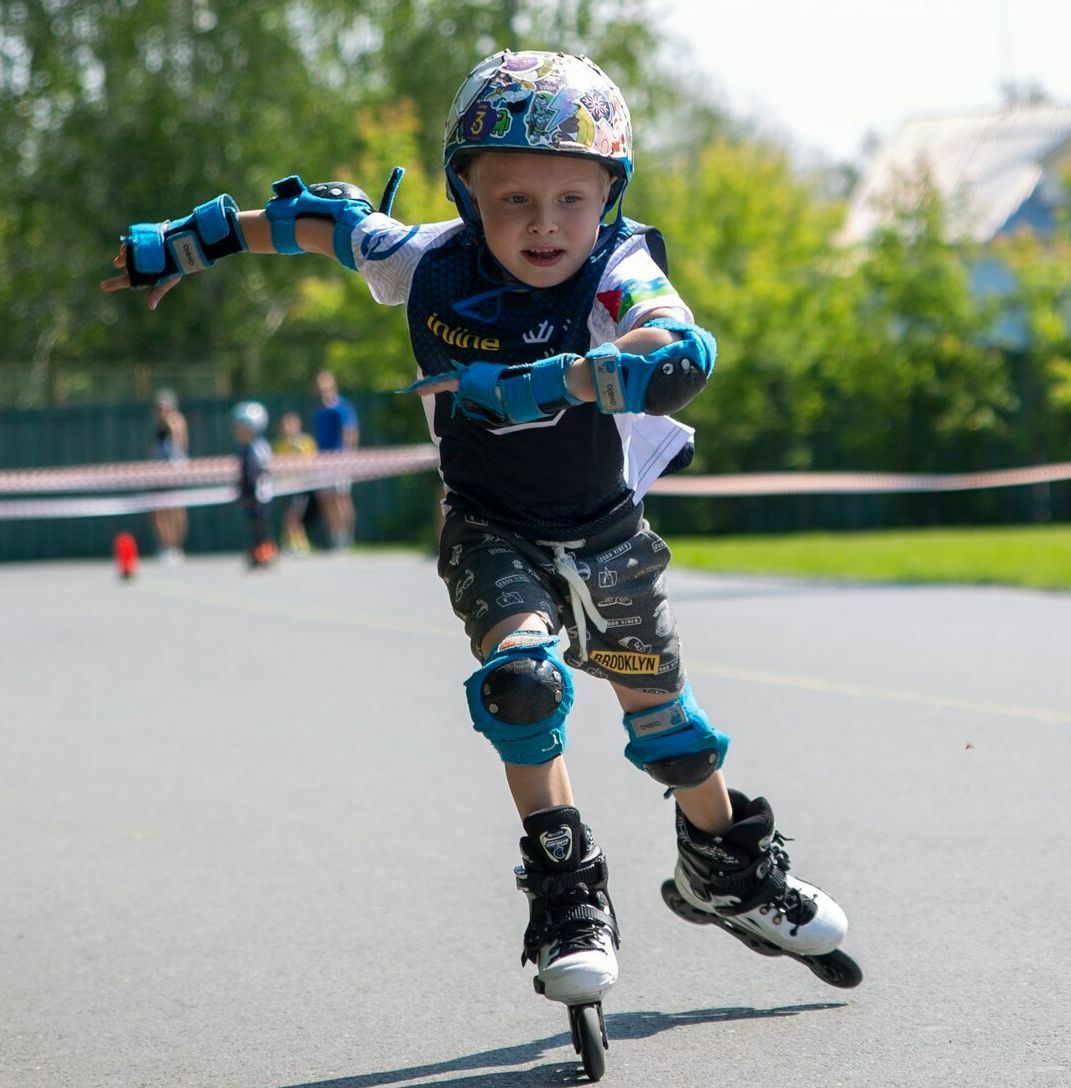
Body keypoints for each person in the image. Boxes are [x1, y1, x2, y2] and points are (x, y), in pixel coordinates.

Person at [102, 49, 857, 1031]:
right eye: (513, 200)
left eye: (570, 199)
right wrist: (193, 242)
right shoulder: (428, 263)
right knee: (524, 681)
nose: (544, 224)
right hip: (489, 522)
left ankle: (725, 867)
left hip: (606, 530)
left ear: (608, 196)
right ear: (467, 193)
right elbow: (321, 220)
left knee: (669, 730)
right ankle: (566, 889)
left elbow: (674, 348)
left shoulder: (619, 265)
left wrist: (569, 379)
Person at [311, 370, 359, 550]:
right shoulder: (318, 409)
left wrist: (348, 456)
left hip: (339, 459)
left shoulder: (342, 406)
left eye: (325, 384)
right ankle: (335, 536)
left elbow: (350, 432)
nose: (321, 388)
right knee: (326, 499)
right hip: (322, 460)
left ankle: (346, 538)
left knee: (341, 498)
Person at [231, 401, 277, 569]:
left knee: (261, 523)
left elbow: (256, 472)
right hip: (251, 493)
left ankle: (266, 552)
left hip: (260, 493)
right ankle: (258, 550)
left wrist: (249, 488)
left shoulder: (257, 447)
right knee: (254, 523)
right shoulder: (245, 448)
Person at [149, 388, 188, 563]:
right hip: (159, 472)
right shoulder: (158, 425)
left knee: (176, 510)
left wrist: (169, 422)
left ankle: (175, 547)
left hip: (174, 472)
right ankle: (165, 546)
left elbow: (179, 444)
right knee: (159, 510)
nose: (160, 411)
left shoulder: (176, 421)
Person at [272, 410, 317, 556]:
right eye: (285, 425)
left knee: (294, 516)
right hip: (285, 487)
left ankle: (299, 544)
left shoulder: (305, 442)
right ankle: (290, 543)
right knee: (289, 516)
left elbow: (312, 461)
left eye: (291, 424)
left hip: (302, 486)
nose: (287, 428)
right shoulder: (278, 445)